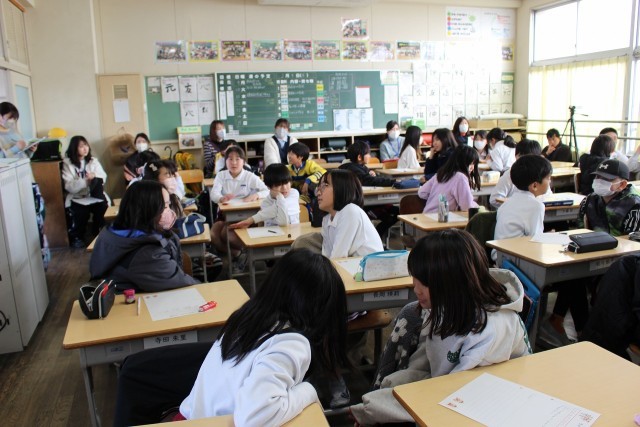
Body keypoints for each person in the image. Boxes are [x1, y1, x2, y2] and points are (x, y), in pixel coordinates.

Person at [349, 229, 531, 425]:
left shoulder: (489, 331)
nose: (415, 289)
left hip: (488, 405)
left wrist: (372, 409)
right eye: (415, 278)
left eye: (424, 283)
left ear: (451, 283)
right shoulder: (449, 304)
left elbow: (453, 395)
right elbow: (430, 361)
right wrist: (387, 391)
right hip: (455, 387)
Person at [178, 249, 348, 424]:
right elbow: (254, 419)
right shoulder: (291, 342)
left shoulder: (248, 316)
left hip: (191, 418)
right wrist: (309, 391)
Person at [544, 159, 640, 346]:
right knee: (572, 274)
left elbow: (630, 242)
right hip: (591, 254)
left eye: (607, 179)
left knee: (578, 278)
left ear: (622, 184)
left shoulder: (634, 205)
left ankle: (572, 325)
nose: (599, 182)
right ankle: (581, 329)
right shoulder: (589, 200)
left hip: (620, 262)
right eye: (598, 177)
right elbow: (581, 231)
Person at [89, 180, 199, 291]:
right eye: (165, 206)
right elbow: (183, 283)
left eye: (168, 205)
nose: (170, 212)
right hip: (139, 299)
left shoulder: (115, 231)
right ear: (147, 210)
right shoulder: (148, 254)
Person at [210, 146, 268, 271]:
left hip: (245, 215)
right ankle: (239, 254)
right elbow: (213, 194)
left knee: (226, 233)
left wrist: (256, 195)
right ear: (225, 161)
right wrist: (221, 198)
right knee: (213, 235)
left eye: (237, 159)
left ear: (243, 161)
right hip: (226, 214)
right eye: (230, 159)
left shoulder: (249, 176)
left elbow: (266, 190)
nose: (234, 162)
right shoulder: (221, 175)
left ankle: (248, 252)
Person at [493, 154, 552, 261]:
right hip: (515, 260)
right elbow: (536, 241)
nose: (550, 181)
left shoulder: (507, 202)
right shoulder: (536, 206)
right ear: (534, 186)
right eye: (548, 178)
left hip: (499, 256)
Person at [317, 169, 384, 259]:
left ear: (341, 188)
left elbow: (337, 257)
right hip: (352, 266)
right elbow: (327, 257)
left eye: (325, 186)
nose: (318, 192)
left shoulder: (350, 211)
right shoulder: (327, 219)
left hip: (371, 266)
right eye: (319, 187)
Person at [339, 140, 399, 240]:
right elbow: (370, 181)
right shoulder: (352, 169)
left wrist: (373, 175)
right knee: (394, 213)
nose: (370, 156)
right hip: (362, 206)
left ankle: (376, 237)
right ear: (359, 157)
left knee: (396, 212)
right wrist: (393, 181)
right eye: (368, 154)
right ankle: (375, 237)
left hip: (367, 203)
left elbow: (371, 178)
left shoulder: (359, 166)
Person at [61, 135, 109, 248]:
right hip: (77, 197)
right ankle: (77, 237)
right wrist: (85, 181)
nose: (85, 148)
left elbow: (103, 176)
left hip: (94, 196)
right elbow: (68, 185)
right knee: (79, 213)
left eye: (86, 145)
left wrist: (94, 176)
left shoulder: (93, 161)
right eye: (81, 146)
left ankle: (98, 233)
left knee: (103, 207)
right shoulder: (67, 163)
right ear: (74, 148)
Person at [229, 163, 300, 229]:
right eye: (278, 185)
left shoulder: (293, 194)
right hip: (271, 236)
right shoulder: (265, 203)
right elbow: (281, 219)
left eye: (286, 183)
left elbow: (283, 222)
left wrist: (252, 220)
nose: (284, 188)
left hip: (293, 235)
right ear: (268, 186)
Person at [489, 139, 552, 209]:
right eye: (523, 157)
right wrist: (518, 204)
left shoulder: (542, 175)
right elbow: (494, 199)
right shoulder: (510, 174)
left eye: (531, 159)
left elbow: (548, 197)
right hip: (514, 211)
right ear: (516, 156)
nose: (525, 162)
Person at [418, 145, 480, 213]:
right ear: (462, 163)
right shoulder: (460, 178)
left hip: (427, 214)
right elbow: (467, 206)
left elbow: (422, 193)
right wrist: (479, 207)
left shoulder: (441, 173)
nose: (472, 167)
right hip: (443, 217)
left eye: (474, 164)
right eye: (471, 164)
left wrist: (436, 198)